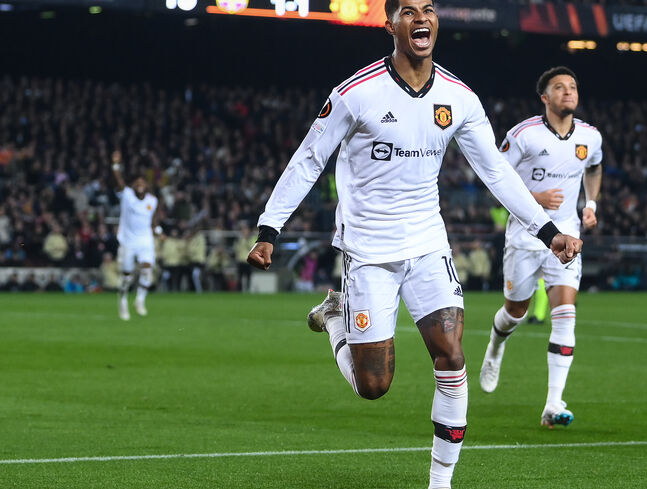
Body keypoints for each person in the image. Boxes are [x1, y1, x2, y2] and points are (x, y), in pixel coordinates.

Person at [245, 2, 582, 488]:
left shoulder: (459, 97)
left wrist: (548, 232)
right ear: (391, 25)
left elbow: (495, 172)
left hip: (427, 244)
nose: (420, 17)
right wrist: (269, 229)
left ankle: (440, 483)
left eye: (428, 9)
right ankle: (338, 316)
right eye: (407, 10)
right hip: (368, 250)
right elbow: (308, 159)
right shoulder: (356, 93)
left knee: (451, 352)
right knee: (373, 386)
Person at [478, 66, 603, 429]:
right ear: (544, 98)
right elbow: (495, 176)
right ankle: (496, 346)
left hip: (567, 236)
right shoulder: (524, 135)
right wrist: (534, 197)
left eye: (573, 86)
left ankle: (553, 404)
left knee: (566, 314)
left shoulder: (591, 137)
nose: (569, 91)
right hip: (525, 235)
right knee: (515, 312)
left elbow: (594, 169)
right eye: (559, 87)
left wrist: (590, 206)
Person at [112, 150, 159, 320]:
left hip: (145, 240)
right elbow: (118, 180)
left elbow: (153, 219)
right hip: (128, 241)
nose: (140, 184)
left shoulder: (152, 201)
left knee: (147, 270)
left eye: (142, 182)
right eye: (137, 182)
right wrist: (116, 164)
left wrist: (158, 231)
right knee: (127, 275)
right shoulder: (127, 195)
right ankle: (123, 300)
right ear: (134, 185)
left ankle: (139, 300)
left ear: (146, 185)